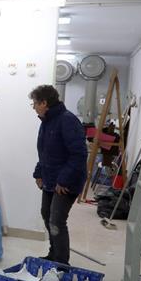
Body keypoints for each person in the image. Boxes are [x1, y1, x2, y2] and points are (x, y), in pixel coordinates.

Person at [30, 84, 87, 264]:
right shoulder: (46, 122)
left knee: (56, 220)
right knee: (46, 214)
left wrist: (63, 180)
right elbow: (45, 152)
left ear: (44, 103)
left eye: (35, 103)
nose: (33, 107)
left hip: (66, 182)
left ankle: (61, 264)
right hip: (50, 178)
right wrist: (39, 173)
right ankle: (53, 255)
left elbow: (79, 155)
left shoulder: (67, 120)